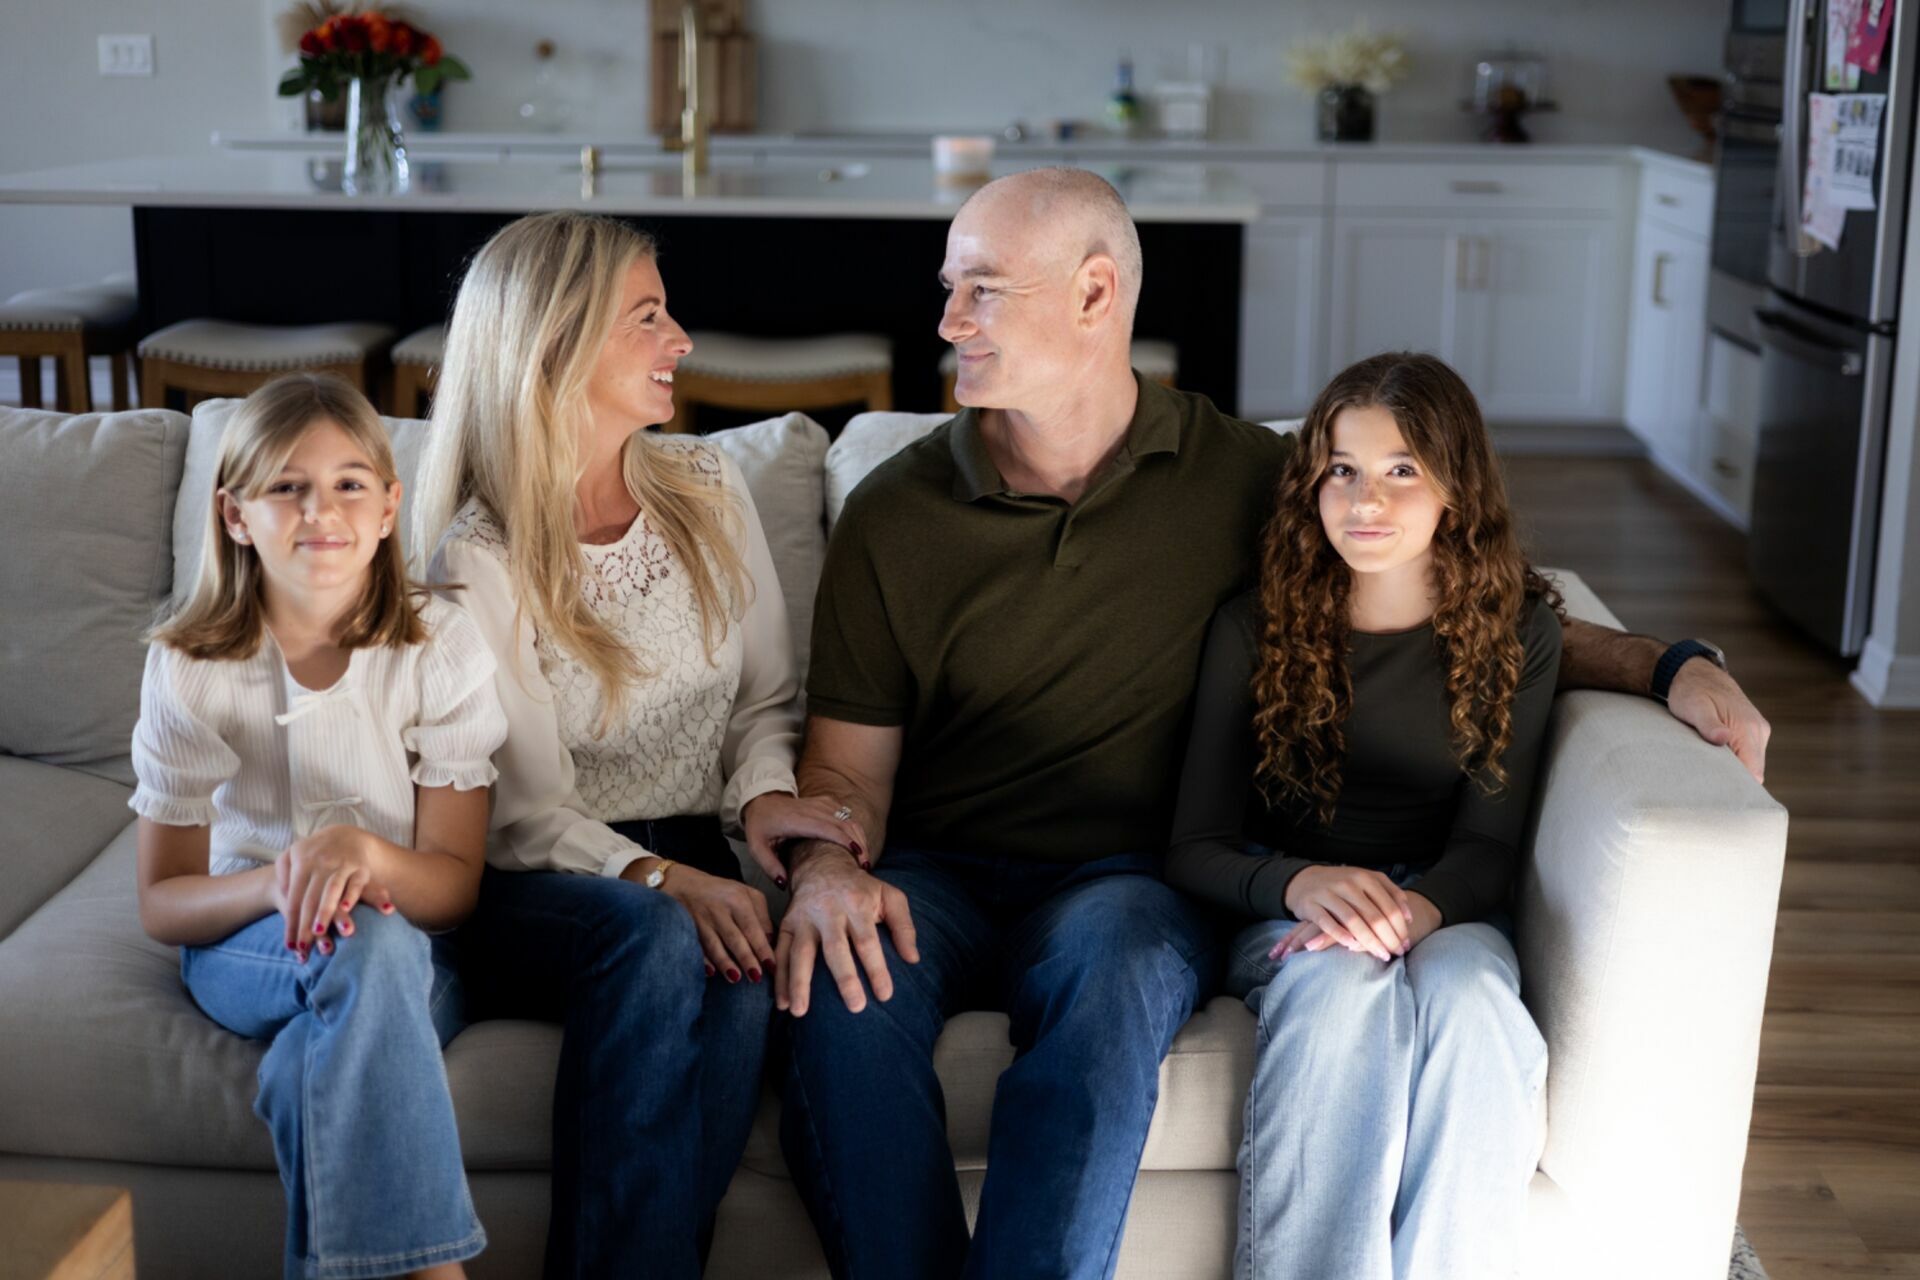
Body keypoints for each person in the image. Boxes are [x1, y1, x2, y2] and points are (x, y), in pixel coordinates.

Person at [771, 167, 1773, 1280]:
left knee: (1113, 987)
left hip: (1127, 876)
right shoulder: (895, 512)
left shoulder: (1244, 477)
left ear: (1097, 295)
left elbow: (1457, 600)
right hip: (937, 870)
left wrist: (1661, 660)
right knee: (839, 999)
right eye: (951, 288)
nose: (949, 320)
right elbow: (844, 766)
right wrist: (823, 863)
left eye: (984, 291)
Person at [411, 210, 865, 1279]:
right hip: (541, 874)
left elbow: (765, 702)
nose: (684, 340)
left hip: (691, 849)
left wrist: (761, 799)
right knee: (662, 937)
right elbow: (518, 813)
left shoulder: (705, 488)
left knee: (745, 972)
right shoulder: (478, 557)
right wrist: (660, 878)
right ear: (558, 343)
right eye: (649, 316)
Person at [1169, 352, 1561, 1279]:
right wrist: (1303, 885)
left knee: (1475, 1004)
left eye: (1401, 472)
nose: (1364, 502)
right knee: (1344, 989)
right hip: (1287, 908)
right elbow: (1192, 846)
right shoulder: (1254, 624)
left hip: (1448, 906)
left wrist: (1415, 914)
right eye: (1341, 470)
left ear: (1455, 487)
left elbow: (1488, 845)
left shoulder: (1518, 632)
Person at [131, 373, 508, 1280]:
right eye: (286, 487)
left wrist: (368, 856)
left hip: (408, 946)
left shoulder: (441, 647)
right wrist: (279, 880)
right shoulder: (192, 666)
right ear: (233, 515)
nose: (320, 510)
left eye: (347, 483)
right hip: (248, 947)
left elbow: (453, 886)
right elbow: (162, 902)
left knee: (318, 1054)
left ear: (388, 508)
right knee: (354, 943)